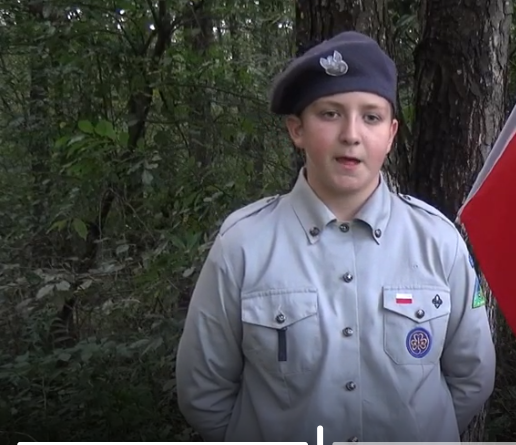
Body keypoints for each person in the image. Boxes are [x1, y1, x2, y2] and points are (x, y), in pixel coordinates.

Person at [175, 31, 496, 444]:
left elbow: (472, 376)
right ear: (297, 130)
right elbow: (204, 392)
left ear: (391, 134)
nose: (351, 134)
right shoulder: (243, 245)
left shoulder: (438, 241)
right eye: (330, 114)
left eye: (371, 116)